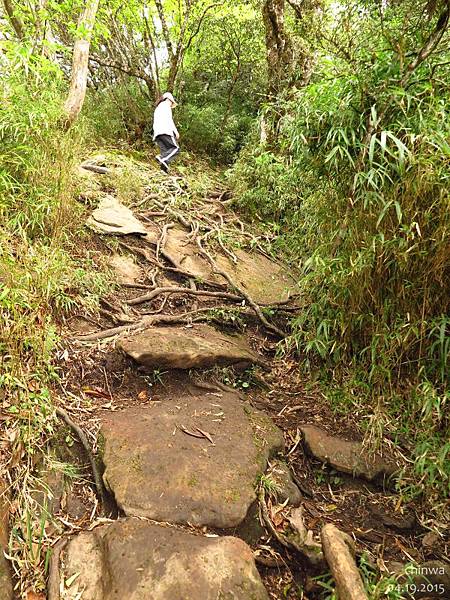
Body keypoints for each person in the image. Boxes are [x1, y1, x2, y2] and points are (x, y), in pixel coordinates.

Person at [153, 92, 180, 173]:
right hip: (166, 131)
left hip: (157, 133)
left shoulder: (158, 108)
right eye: (171, 102)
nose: (171, 104)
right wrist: (176, 131)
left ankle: (163, 171)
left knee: (166, 152)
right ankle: (161, 157)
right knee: (175, 148)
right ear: (168, 100)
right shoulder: (165, 106)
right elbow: (169, 120)